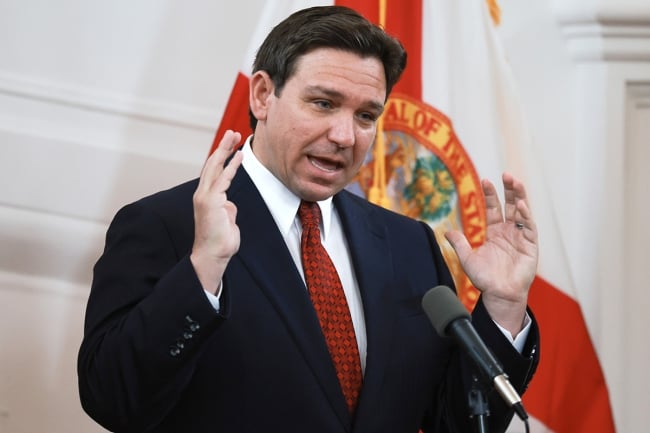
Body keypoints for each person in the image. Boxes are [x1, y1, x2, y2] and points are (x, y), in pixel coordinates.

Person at [78, 6, 539, 433]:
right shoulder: (166, 226)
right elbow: (115, 401)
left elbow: (452, 421)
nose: (343, 135)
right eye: (322, 103)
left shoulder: (410, 244)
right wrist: (202, 273)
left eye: (365, 115)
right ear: (262, 95)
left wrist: (502, 306)